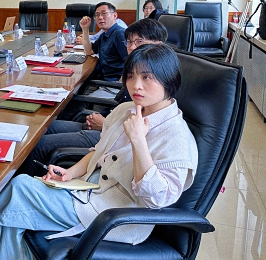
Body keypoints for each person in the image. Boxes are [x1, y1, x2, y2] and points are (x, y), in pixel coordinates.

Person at [0, 43, 198, 260]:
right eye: (131, 76)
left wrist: (139, 141)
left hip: (116, 218)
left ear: (168, 79)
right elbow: (99, 150)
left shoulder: (177, 137)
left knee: (21, 187)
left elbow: (159, 199)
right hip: (88, 191)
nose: (135, 85)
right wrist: (71, 173)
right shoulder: (127, 110)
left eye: (146, 77)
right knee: (16, 216)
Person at [18, 19, 168, 177]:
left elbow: (140, 130)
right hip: (107, 123)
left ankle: (30, 182)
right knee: (40, 128)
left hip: (111, 135)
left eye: (139, 42)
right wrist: (105, 121)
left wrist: (105, 124)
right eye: (129, 42)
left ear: (158, 45)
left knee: (39, 144)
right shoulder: (135, 68)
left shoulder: (158, 82)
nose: (131, 47)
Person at [80, 2, 128, 82]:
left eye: (104, 13)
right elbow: (89, 51)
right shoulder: (104, 34)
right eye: (97, 15)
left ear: (114, 15)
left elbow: (131, 61)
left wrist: (120, 85)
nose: (100, 17)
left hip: (113, 82)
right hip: (103, 78)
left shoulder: (119, 34)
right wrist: (85, 29)